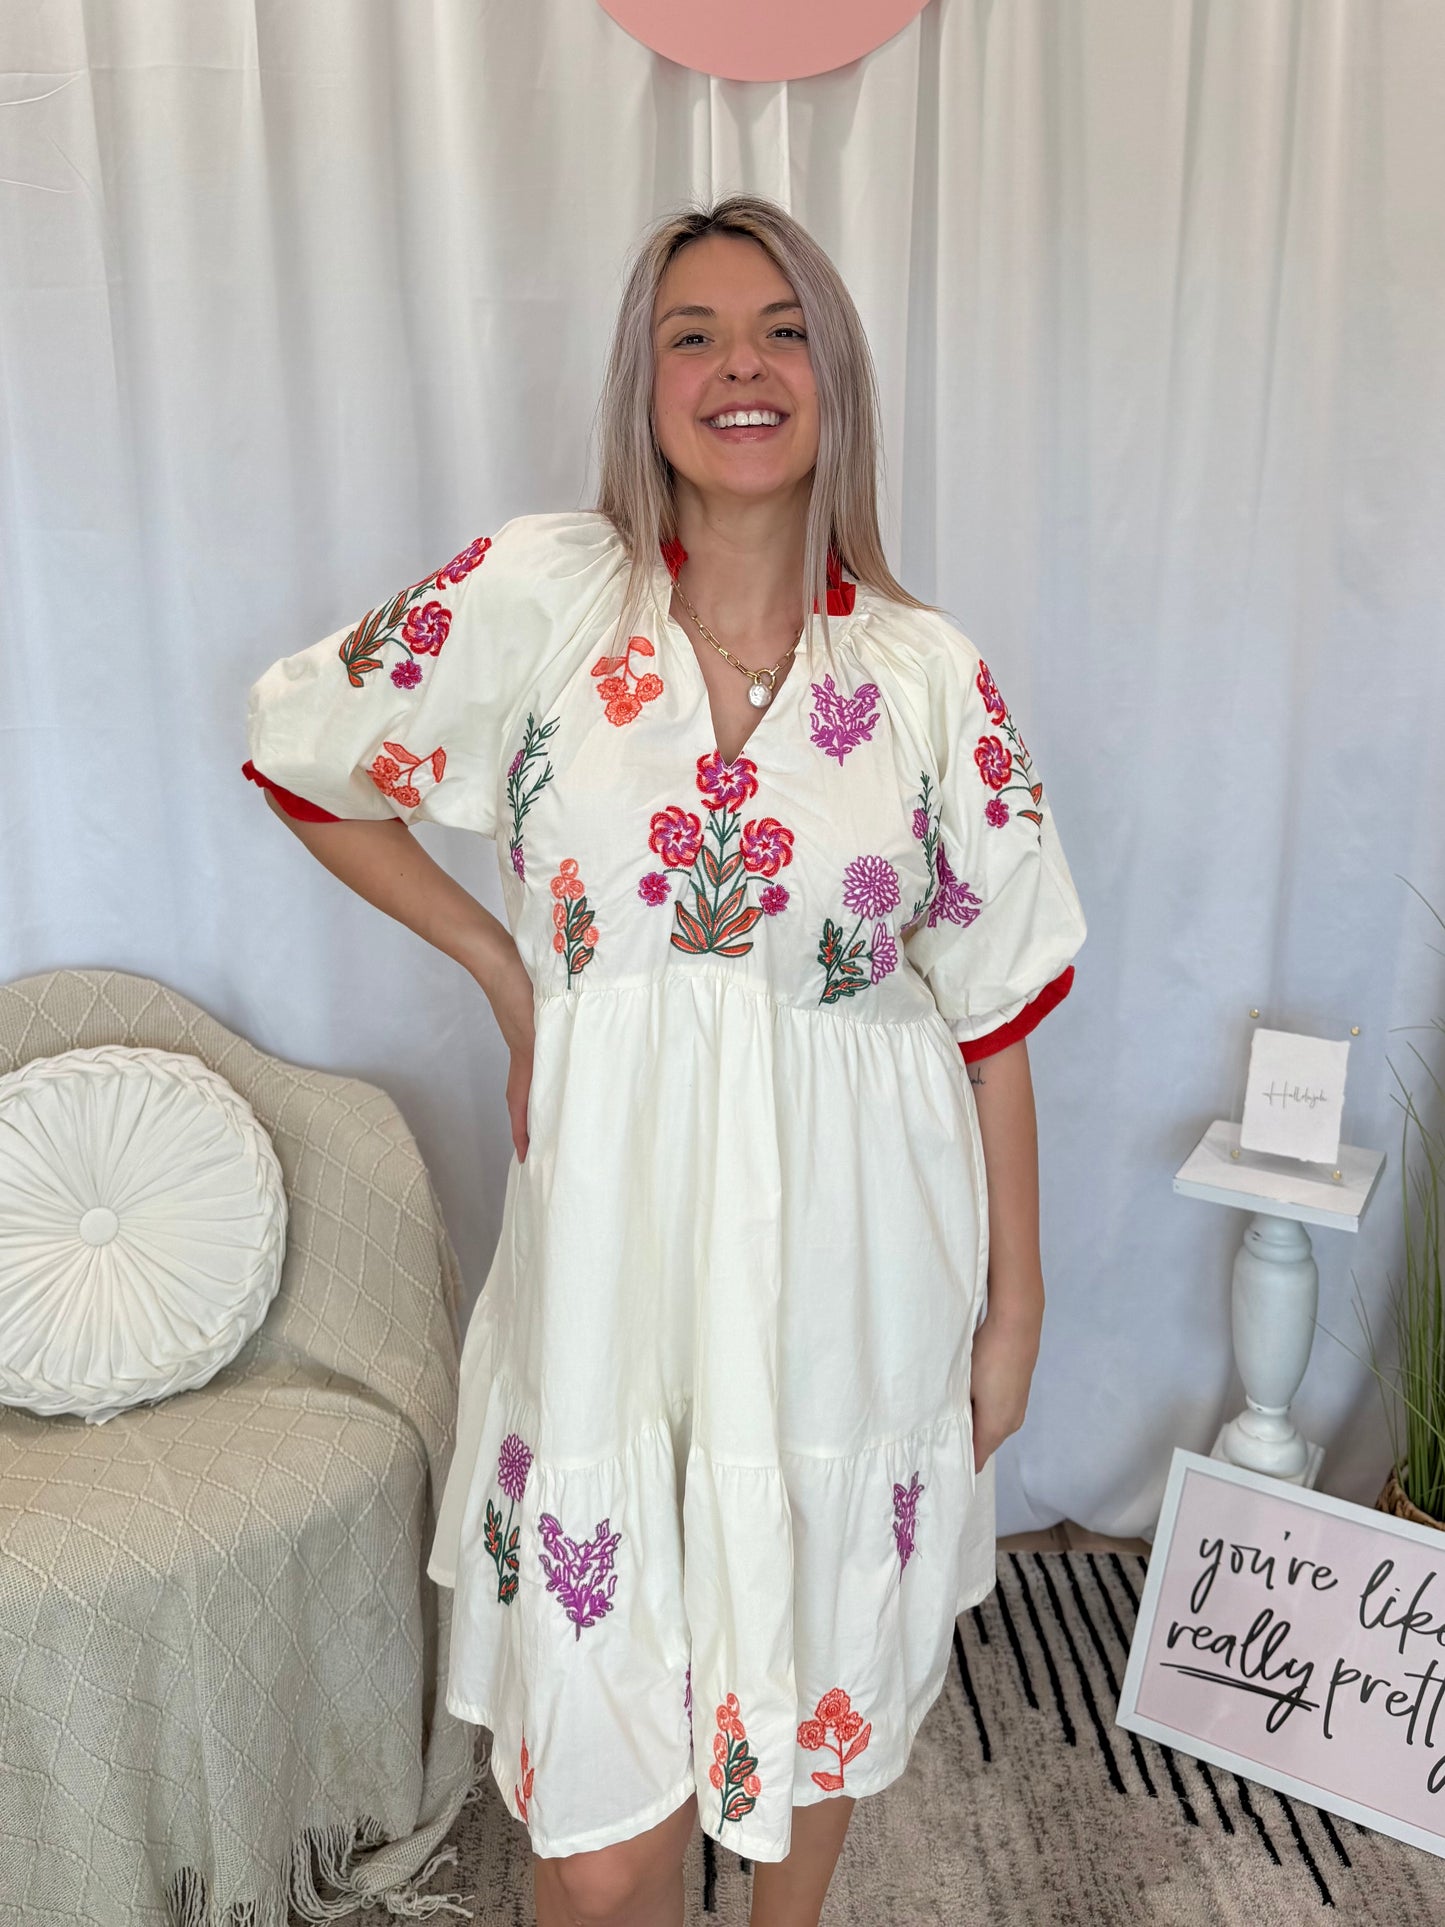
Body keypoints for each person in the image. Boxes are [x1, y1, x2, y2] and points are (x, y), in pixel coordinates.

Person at [242, 193, 1087, 1927]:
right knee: (607, 1850)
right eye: (689, 335)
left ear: (832, 375)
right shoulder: (551, 600)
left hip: (858, 1268)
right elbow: (307, 749)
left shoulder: (927, 676)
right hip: (613, 1276)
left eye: (776, 328)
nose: (737, 367)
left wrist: (1015, 1303)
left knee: (812, 1709)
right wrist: (500, 971)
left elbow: (991, 1007)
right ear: (644, 387)